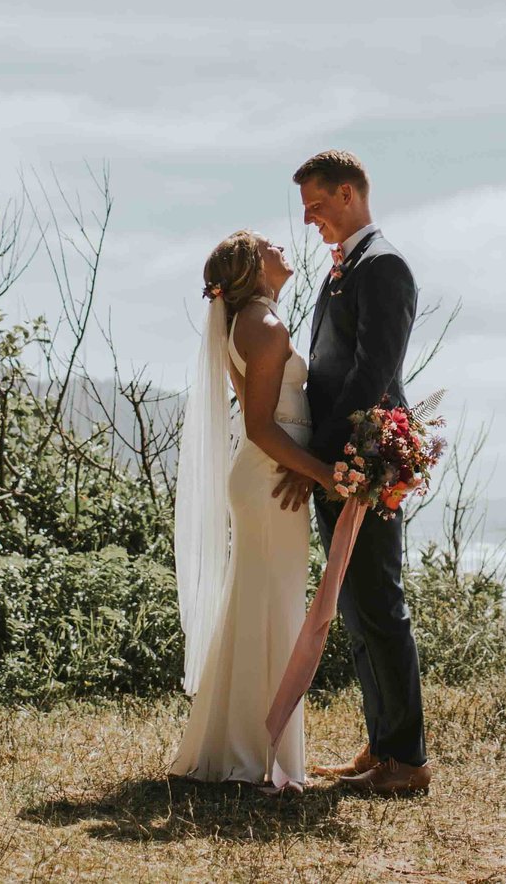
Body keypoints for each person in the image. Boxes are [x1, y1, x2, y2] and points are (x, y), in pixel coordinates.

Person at [274, 148, 431, 797]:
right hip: (336, 462)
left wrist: (331, 457)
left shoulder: (385, 265)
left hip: (362, 462)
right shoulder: (343, 269)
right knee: (356, 607)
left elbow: (372, 373)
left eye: (316, 206)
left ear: (347, 193)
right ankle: (381, 742)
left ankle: (409, 758)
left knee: (380, 602)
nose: (310, 220)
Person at [167, 230, 334, 787]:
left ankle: (241, 745)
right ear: (251, 267)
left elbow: (263, 419)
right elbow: (263, 426)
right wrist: (322, 473)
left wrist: (302, 463)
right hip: (271, 479)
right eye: (266, 244)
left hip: (269, 474)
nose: (279, 246)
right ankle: (255, 752)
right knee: (273, 611)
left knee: (260, 607)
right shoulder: (262, 326)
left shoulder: (249, 324)